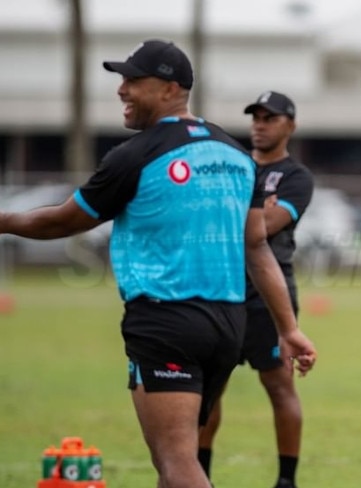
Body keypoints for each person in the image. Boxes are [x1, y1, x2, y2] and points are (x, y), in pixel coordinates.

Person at [0, 39, 317, 488]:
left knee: (176, 463)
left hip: (167, 321)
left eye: (133, 80)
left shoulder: (136, 155)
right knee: (177, 462)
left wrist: (4, 220)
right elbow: (256, 246)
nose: (122, 90)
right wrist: (289, 328)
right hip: (227, 323)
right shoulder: (235, 155)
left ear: (170, 88)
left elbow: (62, 221)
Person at [198, 91, 313, 488]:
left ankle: (286, 481)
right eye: (256, 117)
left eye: (270, 118)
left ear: (290, 126)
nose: (260, 124)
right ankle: (199, 477)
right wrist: (257, 210)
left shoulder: (298, 177)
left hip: (270, 297)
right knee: (209, 392)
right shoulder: (234, 168)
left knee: (279, 387)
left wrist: (248, 214)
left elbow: (263, 229)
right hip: (223, 292)